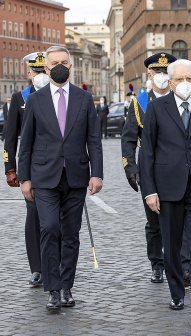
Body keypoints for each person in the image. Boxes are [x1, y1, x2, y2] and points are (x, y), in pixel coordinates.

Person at [17, 46, 103, 310]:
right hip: (44, 176)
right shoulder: (35, 100)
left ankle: (66, 287)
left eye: (64, 62)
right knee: (49, 228)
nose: (59, 66)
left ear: (71, 66)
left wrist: (97, 173)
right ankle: (52, 289)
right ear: (46, 67)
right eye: (54, 63)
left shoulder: (84, 99)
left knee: (70, 234)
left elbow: (94, 139)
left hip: (76, 175)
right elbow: (27, 143)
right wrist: (24, 179)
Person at [140, 59, 191, 317]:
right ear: (171, 82)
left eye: (190, 79)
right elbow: (148, 152)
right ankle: (177, 293)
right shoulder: (155, 107)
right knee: (172, 245)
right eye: (180, 79)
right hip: (167, 187)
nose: (185, 84)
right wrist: (149, 191)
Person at [121, 52, 191, 285]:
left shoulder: (181, 99)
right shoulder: (139, 103)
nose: (161, 77)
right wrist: (130, 167)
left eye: (165, 72)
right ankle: (157, 263)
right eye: (157, 73)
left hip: (177, 166)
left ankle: (183, 264)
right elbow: (129, 139)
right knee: (154, 221)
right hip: (150, 166)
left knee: (181, 218)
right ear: (149, 75)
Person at [4, 52, 50, 287]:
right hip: (30, 168)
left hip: (54, 166)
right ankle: (37, 268)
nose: (41, 76)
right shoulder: (18, 98)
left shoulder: (58, 95)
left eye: (45, 71)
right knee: (33, 217)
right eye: (37, 72)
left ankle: (55, 262)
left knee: (55, 219)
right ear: (29, 73)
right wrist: (9, 168)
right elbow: (10, 138)